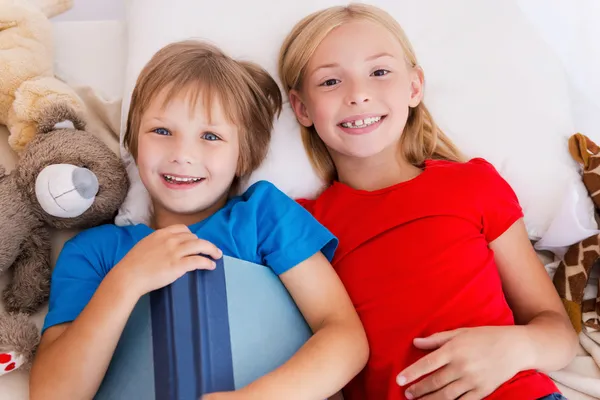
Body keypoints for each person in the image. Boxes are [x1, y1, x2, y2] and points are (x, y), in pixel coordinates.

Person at [29, 40, 368, 400]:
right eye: (162, 131)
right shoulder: (94, 252)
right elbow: (52, 394)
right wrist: (126, 281)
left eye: (211, 136)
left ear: (243, 156)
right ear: (134, 143)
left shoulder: (263, 217)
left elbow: (344, 336)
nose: (182, 154)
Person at [278, 4, 578, 400]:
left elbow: (558, 332)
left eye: (379, 72)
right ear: (301, 108)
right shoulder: (299, 224)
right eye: (331, 82)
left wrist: (512, 348)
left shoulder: (472, 184)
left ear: (415, 87)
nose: (359, 95)